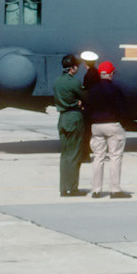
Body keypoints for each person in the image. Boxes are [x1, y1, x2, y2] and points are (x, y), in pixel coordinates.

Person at [85, 60, 130, 198]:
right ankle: (115, 189)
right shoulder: (115, 90)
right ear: (111, 74)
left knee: (98, 157)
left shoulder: (93, 90)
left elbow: (87, 109)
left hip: (96, 126)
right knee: (115, 157)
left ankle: (96, 190)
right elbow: (122, 109)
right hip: (112, 125)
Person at [53, 54, 87, 196]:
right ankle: (72, 188)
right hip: (74, 118)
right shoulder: (74, 82)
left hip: (63, 119)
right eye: (76, 66)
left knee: (65, 154)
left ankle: (63, 187)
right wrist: (78, 103)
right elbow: (85, 97)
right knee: (74, 154)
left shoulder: (57, 82)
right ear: (72, 68)